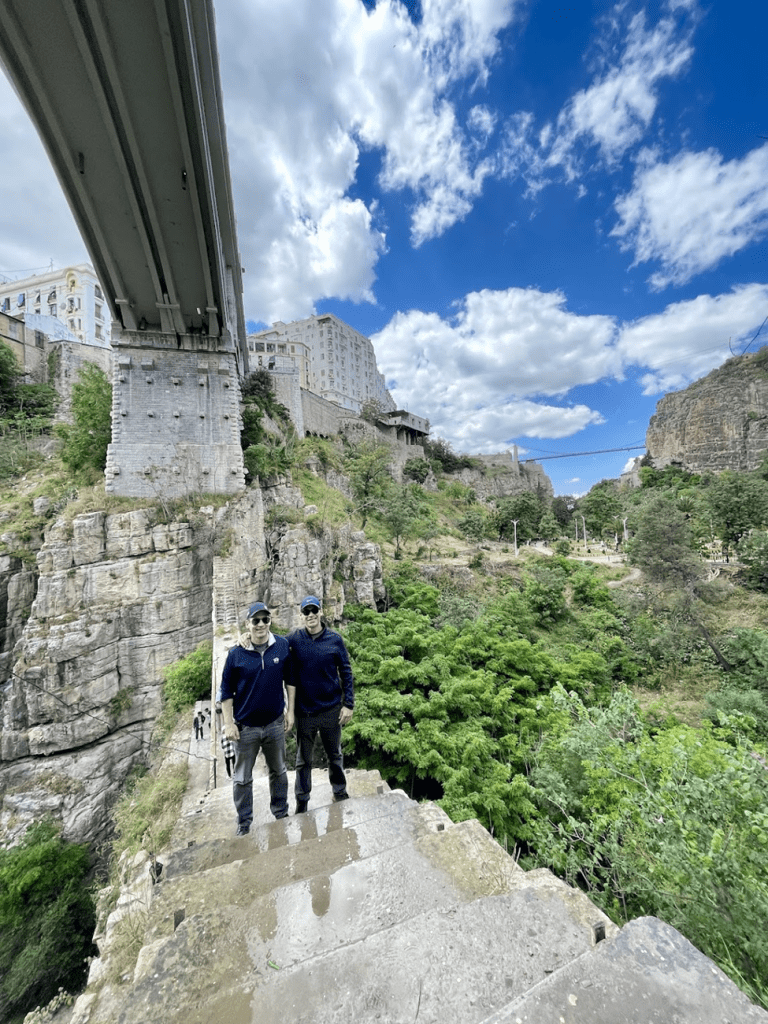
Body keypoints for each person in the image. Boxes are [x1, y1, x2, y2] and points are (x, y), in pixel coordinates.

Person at [220, 602, 295, 835]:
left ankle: (280, 813)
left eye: (265, 619)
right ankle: (244, 823)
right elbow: (225, 692)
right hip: (246, 728)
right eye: (256, 620)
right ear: (248, 624)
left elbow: (290, 680)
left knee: (279, 771)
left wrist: (290, 711)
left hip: (274, 723)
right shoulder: (236, 654)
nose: (260, 624)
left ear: (270, 622)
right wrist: (229, 724)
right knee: (242, 778)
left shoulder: (281, 645)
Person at [288, 595, 354, 813]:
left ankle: (340, 792)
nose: (310, 615)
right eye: (306, 612)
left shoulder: (335, 639)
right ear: (301, 615)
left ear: (320, 612)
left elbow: (346, 672)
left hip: (331, 709)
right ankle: (302, 802)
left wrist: (349, 704)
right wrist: (246, 638)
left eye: (314, 610)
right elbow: (271, 643)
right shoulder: (295, 639)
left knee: (334, 755)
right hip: (305, 712)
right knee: (303, 761)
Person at [216, 704, 236, 778]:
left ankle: (229, 776)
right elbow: (234, 742)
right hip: (232, 752)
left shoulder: (223, 738)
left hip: (227, 753)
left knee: (228, 765)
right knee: (234, 763)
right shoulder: (231, 734)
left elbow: (222, 746)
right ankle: (235, 774)